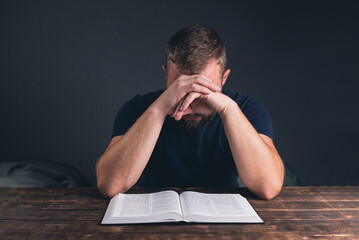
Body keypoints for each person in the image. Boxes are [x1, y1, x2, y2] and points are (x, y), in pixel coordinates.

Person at [96, 25, 284, 200]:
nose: (190, 105)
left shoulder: (247, 108)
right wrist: (158, 109)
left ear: (224, 79)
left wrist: (228, 109)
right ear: (165, 76)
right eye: (182, 90)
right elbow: (110, 185)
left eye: (203, 92)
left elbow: (268, 187)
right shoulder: (139, 108)